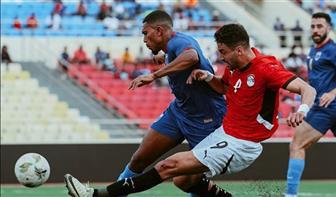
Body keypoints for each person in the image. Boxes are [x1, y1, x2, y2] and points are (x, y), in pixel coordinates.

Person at [64, 23, 317, 197]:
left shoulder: (266, 69)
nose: (221, 57)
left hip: (243, 144)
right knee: (183, 180)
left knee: (168, 166)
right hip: (225, 134)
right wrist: (208, 77)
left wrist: (301, 111)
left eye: (223, 53)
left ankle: (97, 194)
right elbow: (223, 87)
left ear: (239, 49)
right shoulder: (235, 65)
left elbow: (308, 89)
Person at [65, 10, 229, 197]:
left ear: (159, 31)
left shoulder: (179, 41)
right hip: (179, 112)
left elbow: (191, 56)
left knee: (188, 179)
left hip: (206, 118)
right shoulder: (172, 48)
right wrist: (166, 59)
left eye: (145, 33)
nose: (144, 39)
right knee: (140, 158)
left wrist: (154, 74)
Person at [285, 12, 336, 197]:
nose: (315, 30)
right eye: (313, 26)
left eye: (319, 26)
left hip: (326, 106)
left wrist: (333, 92)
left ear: (328, 28)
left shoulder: (334, 50)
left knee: (297, 145)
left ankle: (290, 195)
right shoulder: (314, 50)